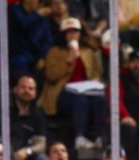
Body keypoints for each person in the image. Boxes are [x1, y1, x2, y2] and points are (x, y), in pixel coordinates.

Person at [41, 17, 105, 152]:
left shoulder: (88, 52)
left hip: (86, 90)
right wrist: (68, 60)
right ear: (63, 34)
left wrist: (94, 81)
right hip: (62, 93)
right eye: (68, 32)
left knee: (100, 99)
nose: (72, 35)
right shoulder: (55, 52)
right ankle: (80, 138)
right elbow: (51, 75)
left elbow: (96, 73)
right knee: (79, 99)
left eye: (75, 32)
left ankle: (99, 137)